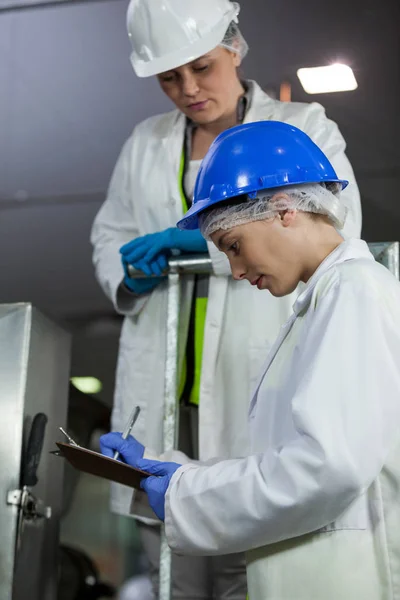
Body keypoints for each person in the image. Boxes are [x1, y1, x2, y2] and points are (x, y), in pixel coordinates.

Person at [91, 0, 362, 596]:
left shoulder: (302, 125)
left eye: (202, 68)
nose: (188, 89)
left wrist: (195, 243)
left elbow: (333, 224)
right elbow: (109, 237)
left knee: (256, 553)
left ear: (234, 49)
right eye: (169, 77)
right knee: (170, 565)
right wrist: (127, 274)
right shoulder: (143, 144)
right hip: (166, 388)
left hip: (251, 368)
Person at [101, 121, 400, 600]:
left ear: (283, 210)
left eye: (233, 247)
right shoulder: (321, 302)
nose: (235, 271)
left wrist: (187, 496)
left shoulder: (355, 290)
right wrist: (176, 471)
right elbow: (286, 461)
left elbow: (329, 467)